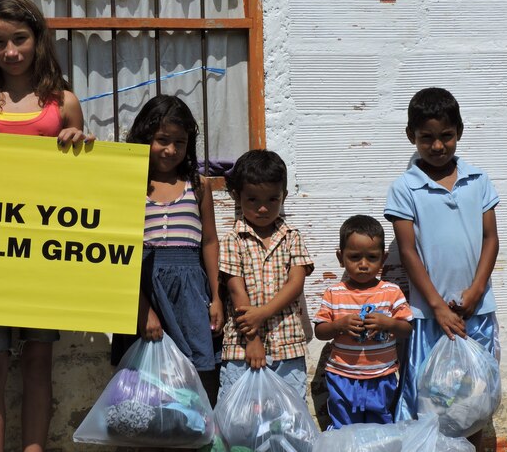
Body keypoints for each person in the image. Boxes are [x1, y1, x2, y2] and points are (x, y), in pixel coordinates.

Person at [0, 0, 92, 452]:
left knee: (38, 361)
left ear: (38, 39)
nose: (10, 52)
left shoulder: (63, 102)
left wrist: (80, 141)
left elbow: (85, 183)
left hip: (43, 257)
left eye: (20, 39)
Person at [384, 87, 500, 451]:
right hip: (429, 318)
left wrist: (476, 290)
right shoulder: (404, 189)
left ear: (459, 132)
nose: (437, 146)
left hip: (476, 314)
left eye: (445, 136)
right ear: (411, 137)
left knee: (475, 402)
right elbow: (408, 252)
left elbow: (490, 240)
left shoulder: (478, 180)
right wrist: (436, 305)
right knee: (432, 405)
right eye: (427, 138)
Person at [110, 94, 224, 406]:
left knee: (196, 378)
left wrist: (215, 297)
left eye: (180, 142)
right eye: (162, 140)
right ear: (144, 137)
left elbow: (210, 241)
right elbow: (120, 252)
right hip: (143, 289)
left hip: (189, 295)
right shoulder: (129, 185)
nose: (171, 150)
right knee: (143, 387)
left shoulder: (197, 186)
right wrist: (142, 309)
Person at [218, 149, 314, 401]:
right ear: (237, 197)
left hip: (287, 346)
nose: (263, 208)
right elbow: (236, 292)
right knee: (240, 420)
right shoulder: (232, 241)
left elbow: (296, 283)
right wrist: (253, 339)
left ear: (284, 196)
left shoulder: (292, 236)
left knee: (289, 418)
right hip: (242, 348)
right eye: (253, 200)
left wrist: (263, 313)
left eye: (273, 199)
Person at [314, 214, 413, 429]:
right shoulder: (334, 293)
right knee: (345, 426)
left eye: (372, 257)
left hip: (381, 376)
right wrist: (339, 326)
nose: (363, 265)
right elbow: (320, 331)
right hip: (342, 377)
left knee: (380, 424)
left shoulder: (391, 292)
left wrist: (388, 323)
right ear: (341, 258)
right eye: (355, 257)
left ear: (384, 259)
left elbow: (406, 328)